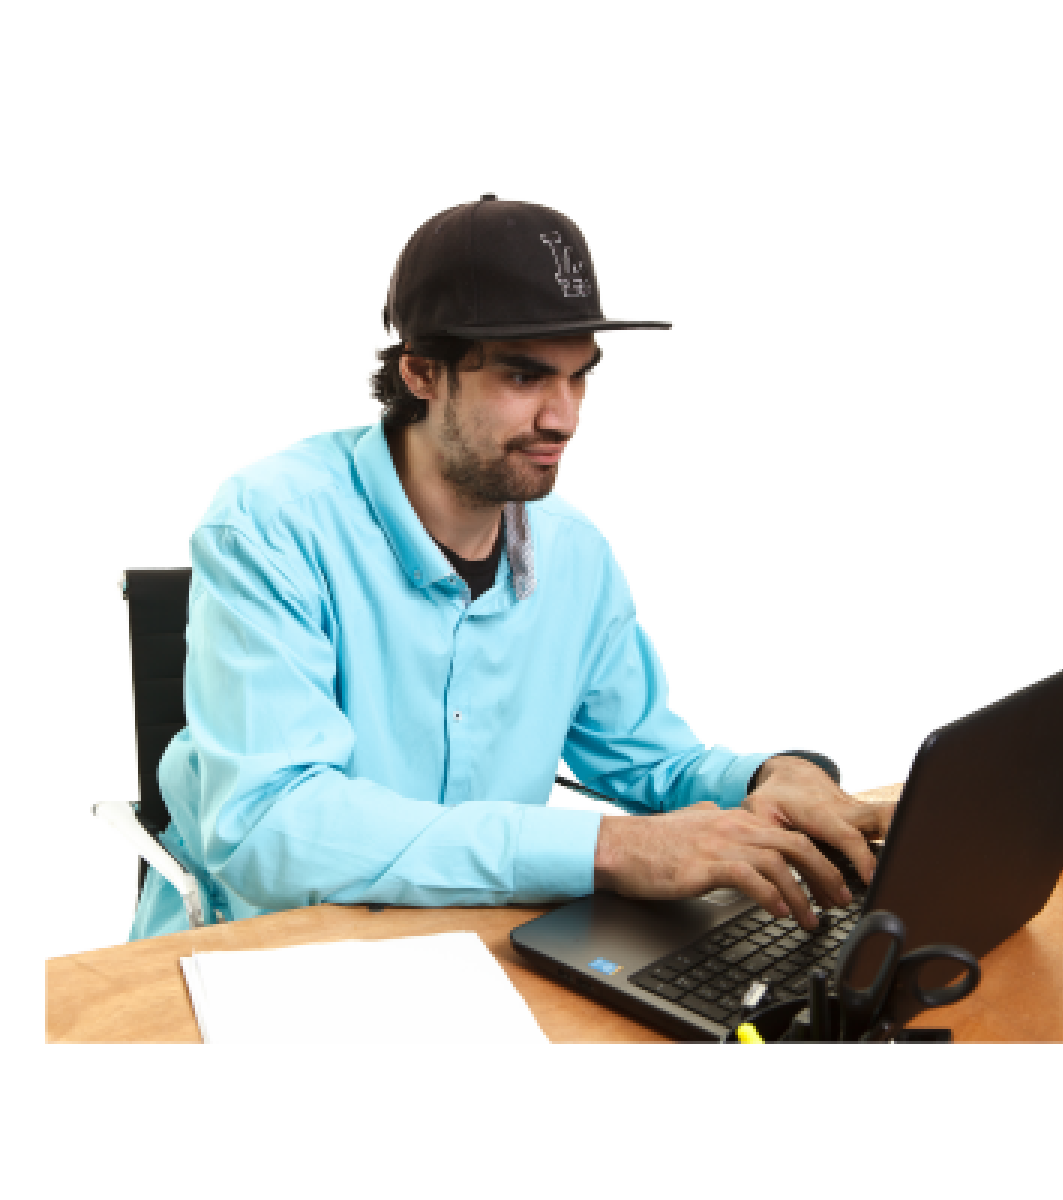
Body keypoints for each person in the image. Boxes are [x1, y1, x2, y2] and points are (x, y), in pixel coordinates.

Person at [128, 195, 896, 941]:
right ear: (422, 373)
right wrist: (608, 850)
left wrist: (767, 781)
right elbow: (272, 829)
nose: (563, 417)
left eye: (580, 377)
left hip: (483, 944)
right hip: (273, 951)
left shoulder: (575, 551)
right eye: (525, 377)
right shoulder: (271, 523)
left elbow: (643, 753)